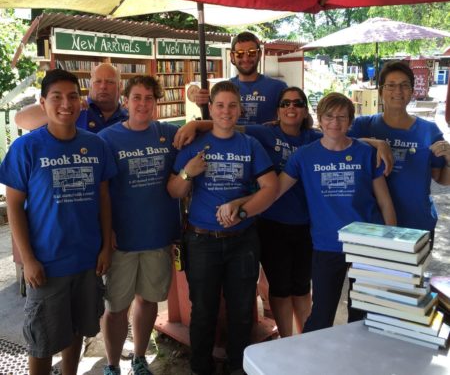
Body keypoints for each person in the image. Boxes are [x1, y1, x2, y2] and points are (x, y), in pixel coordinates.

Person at [0, 69, 116, 375]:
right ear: (43, 103)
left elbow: (104, 199)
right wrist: (28, 259)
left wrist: (106, 246)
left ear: (81, 102)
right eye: (57, 97)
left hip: (87, 260)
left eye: (73, 96)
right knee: (41, 340)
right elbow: (14, 206)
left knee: (77, 329)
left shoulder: (96, 145)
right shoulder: (26, 148)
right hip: (47, 264)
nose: (66, 103)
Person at [167, 81, 278, 375]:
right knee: (203, 310)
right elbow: (174, 191)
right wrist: (187, 172)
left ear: (240, 109)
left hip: (243, 240)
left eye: (232, 105)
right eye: (220, 105)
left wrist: (242, 210)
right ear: (211, 109)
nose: (226, 111)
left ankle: (238, 367)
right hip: (202, 241)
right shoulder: (194, 145)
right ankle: (200, 367)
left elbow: (270, 187)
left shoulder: (250, 145)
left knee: (243, 309)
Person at [278, 92, 396, 333]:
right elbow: (275, 190)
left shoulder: (365, 153)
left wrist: (391, 244)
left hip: (366, 243)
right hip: (327, 244)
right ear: (319, 119)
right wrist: (243, 203)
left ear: (350, 121)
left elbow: (385, 202)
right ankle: (311, 365)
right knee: (322, 314)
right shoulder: (304, 156)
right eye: (329, 116)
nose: (335, 122)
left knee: (362, 314)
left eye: (342, 117)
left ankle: (357, 364)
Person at [99, 75, 180, 375]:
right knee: (116, 306)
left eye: (149, 98)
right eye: (137, 97)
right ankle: (111, 364)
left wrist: (199, 124)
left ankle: (139, 357)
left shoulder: (169, 134)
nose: (143, 103)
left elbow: (213, 130)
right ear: (125, 100)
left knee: (148, 301)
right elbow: (100, 190)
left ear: (156, 103)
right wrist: (106, 232)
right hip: (122, 239)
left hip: (158, 235)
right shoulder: (107, 139)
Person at [349, 61, 450, 242]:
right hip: (373, 224)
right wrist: (377, 143)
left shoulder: (429, 131)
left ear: (412, 91)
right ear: (380, 91)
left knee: (411, 271)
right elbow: (340, 144)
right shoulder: (363, 125)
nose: (398, 91)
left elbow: (441, 178)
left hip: (417, 224)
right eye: (391, 85)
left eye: (404, 85)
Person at [195, 31, 287, 124]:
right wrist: (203, 106)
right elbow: (214, 124)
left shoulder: (278, 88)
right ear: (232, 56)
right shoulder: (222, 90)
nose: (246, 59)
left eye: (252, 53)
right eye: (239, 53)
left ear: (259, 55)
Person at [15, 62, 127, 132]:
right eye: (98, 81)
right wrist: (65, 108)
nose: (103, 86)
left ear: (120, 86)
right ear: (90, 84)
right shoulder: (73, 110)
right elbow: (20, 120)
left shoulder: (129, 117)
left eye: (110, 82)